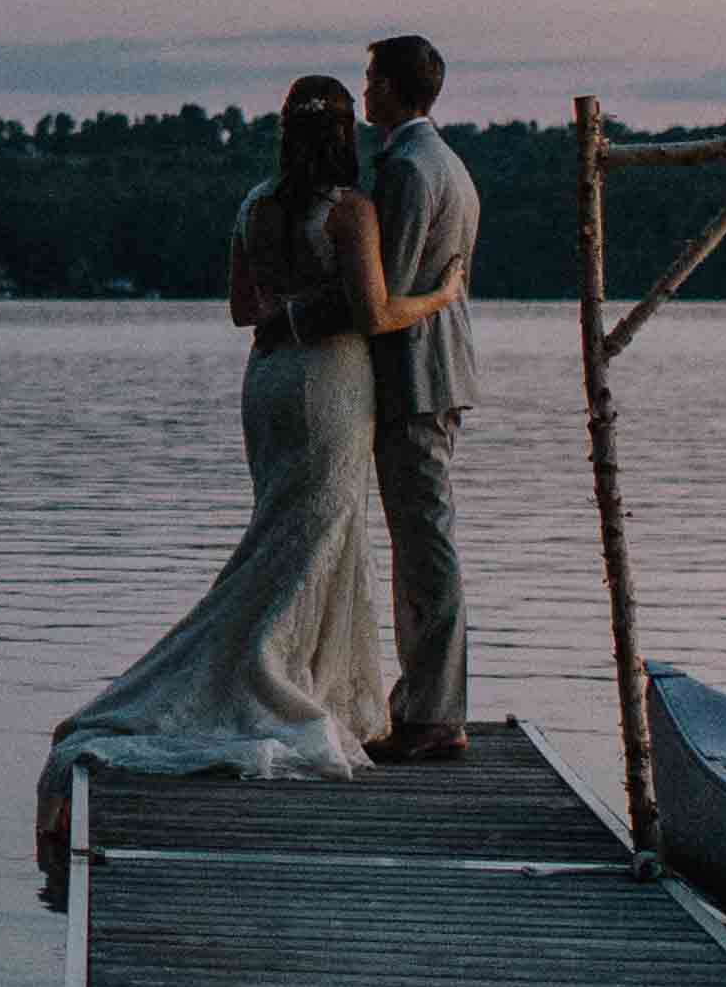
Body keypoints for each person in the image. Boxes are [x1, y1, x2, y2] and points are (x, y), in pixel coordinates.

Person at [35, 76, 466, 837]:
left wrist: (284, 311)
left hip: (266, 384)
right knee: (317, 538)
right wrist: (442, 294)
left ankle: (286, 669)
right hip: (331, 381)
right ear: (343, 135)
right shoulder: (350, 210)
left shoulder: (253, 205)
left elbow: (243, 310)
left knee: (282, 533)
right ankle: (274, 674)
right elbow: (374, 313)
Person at [357, 32, 481, 763]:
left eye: (372, 80)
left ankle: (435, 712)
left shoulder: (407, 168)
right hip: (439, 369)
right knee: (423, 540)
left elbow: (388, 289)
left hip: (414, 375)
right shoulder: (449, 161)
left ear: (399, 90)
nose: (365, 91)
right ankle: (426, 702)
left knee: (426, 544)